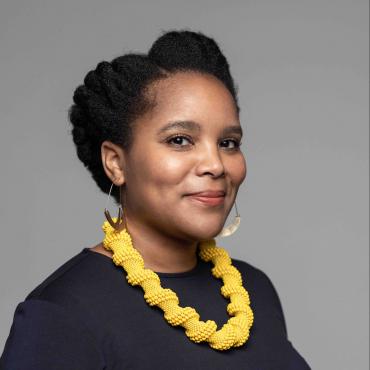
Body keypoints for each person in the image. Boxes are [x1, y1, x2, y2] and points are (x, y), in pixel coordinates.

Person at [0, 29, 311, 369]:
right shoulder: (63, 314)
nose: (215, 165)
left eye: (228, 142)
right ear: (116, 163)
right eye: (180, 140)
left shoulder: (253, 292)